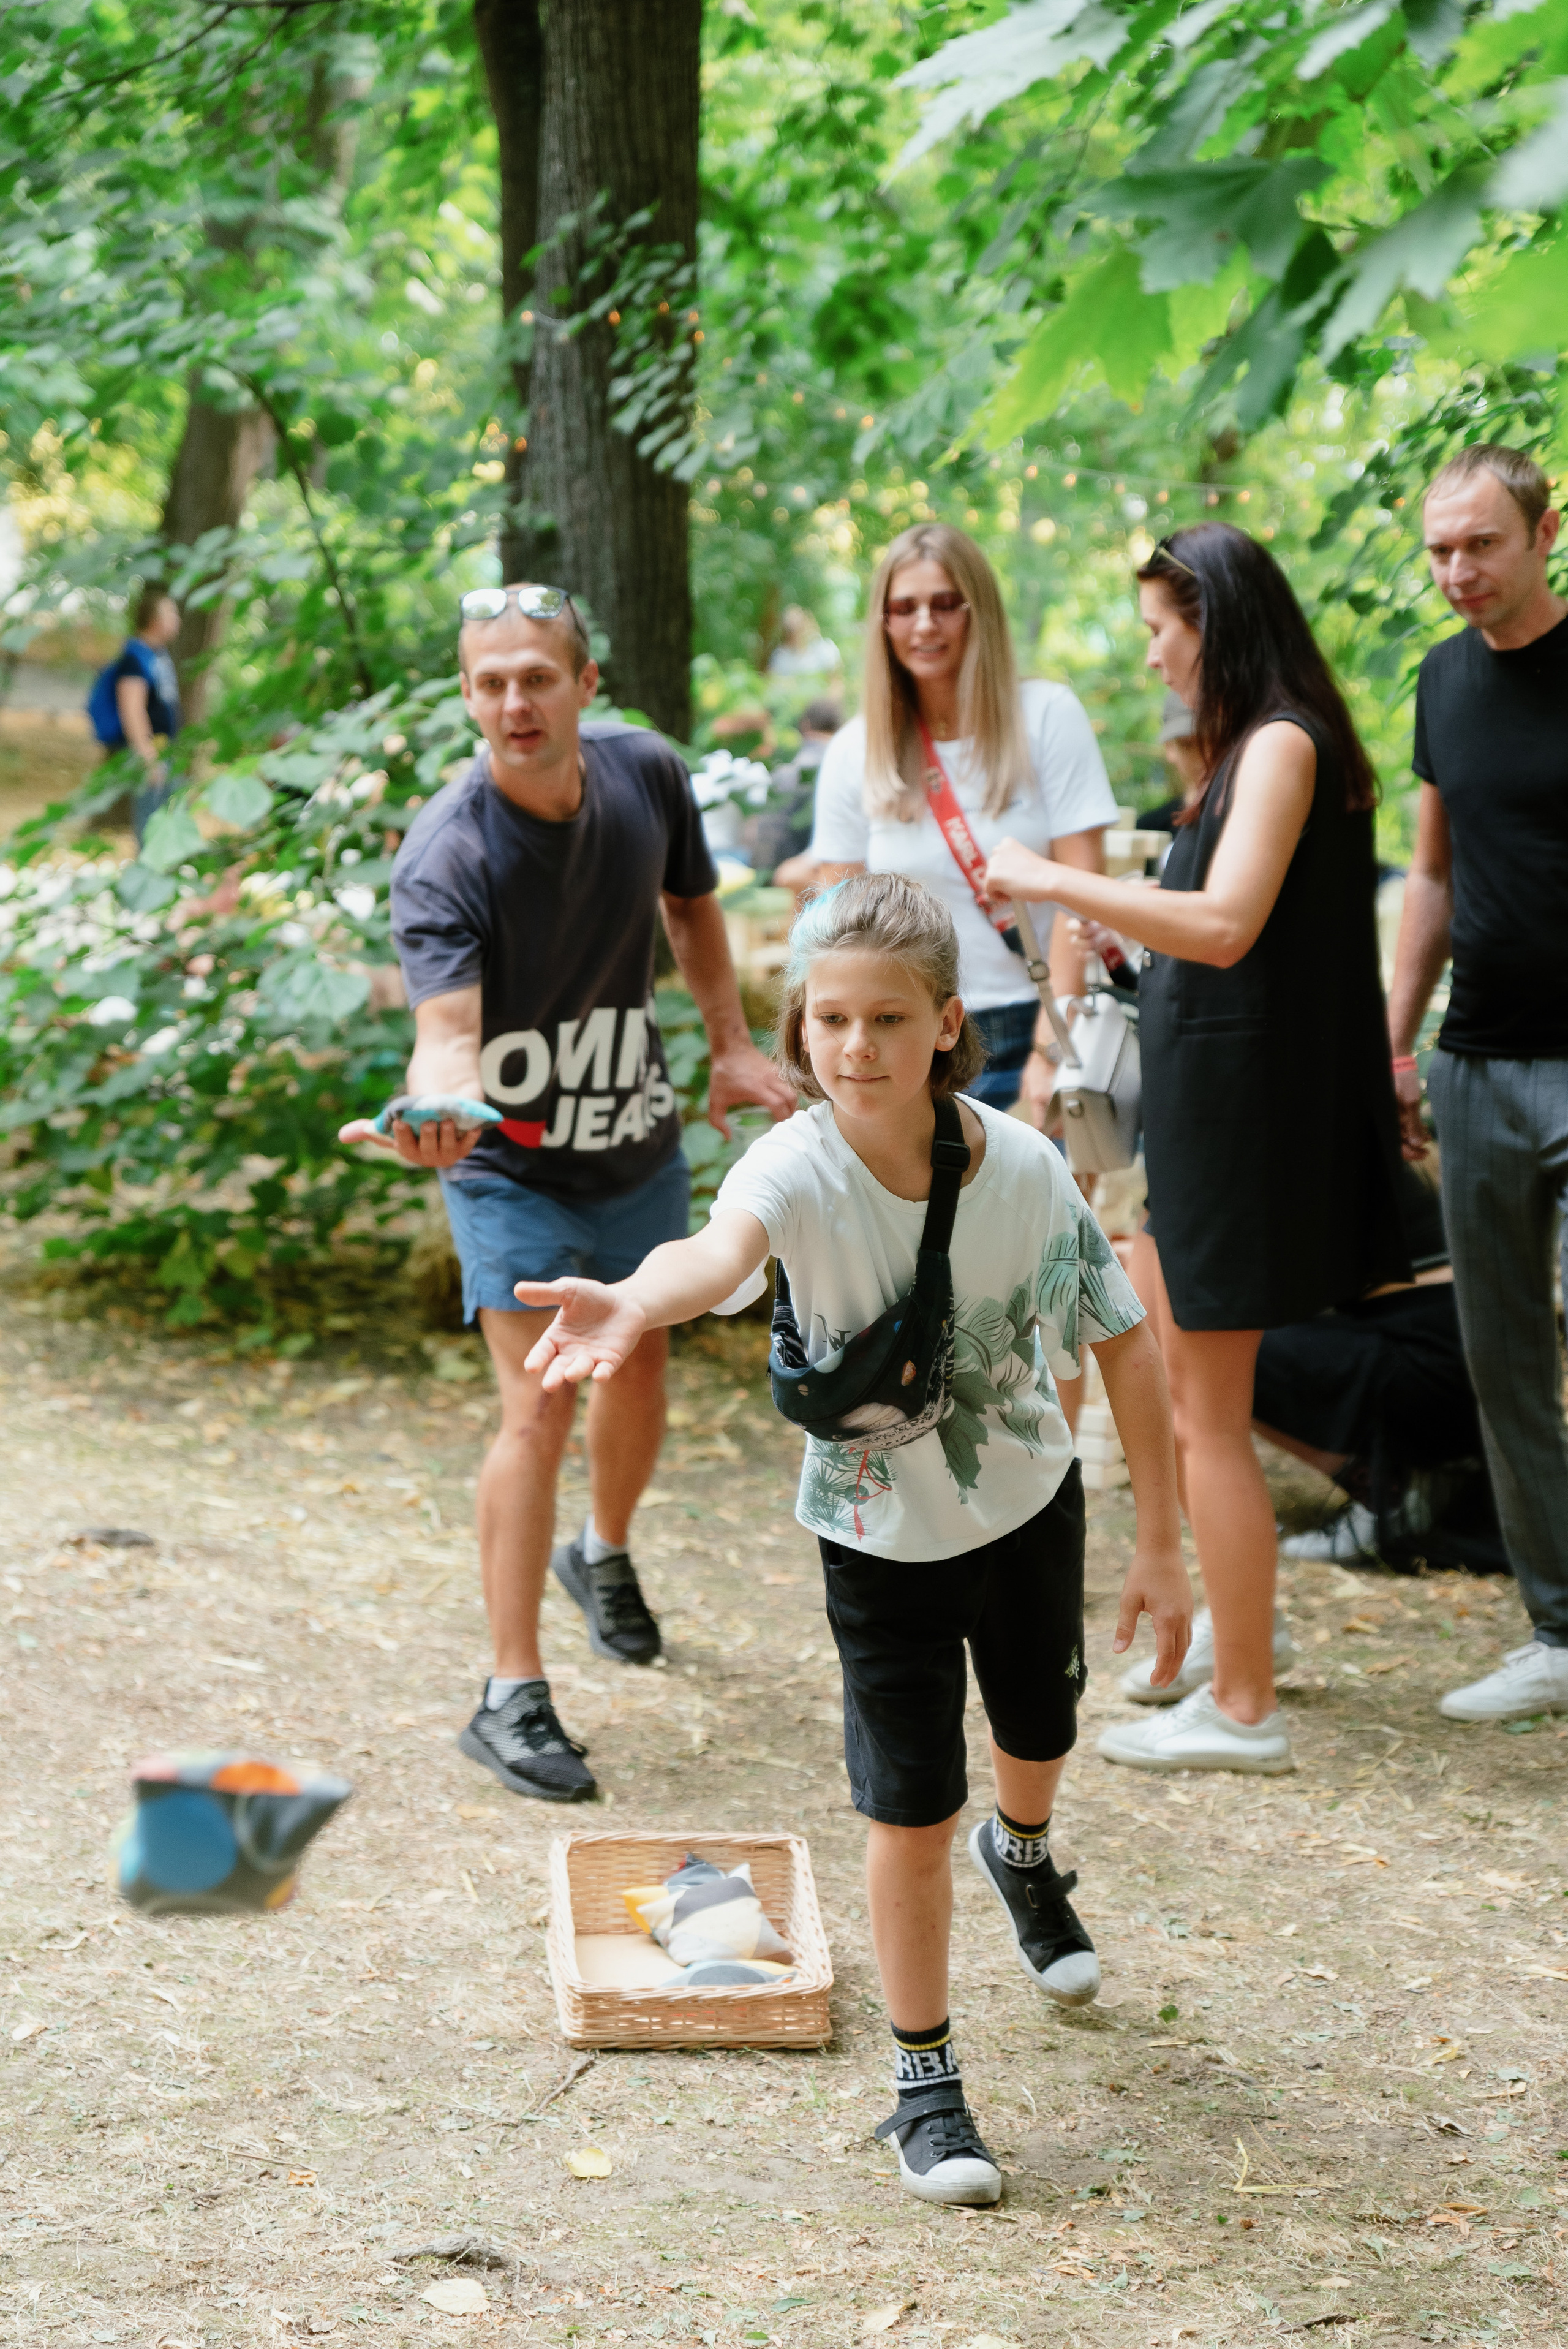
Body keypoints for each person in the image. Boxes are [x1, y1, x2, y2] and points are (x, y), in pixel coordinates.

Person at [516, 873, 1189, 2207]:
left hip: (1023, 1508)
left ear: (946, 1022)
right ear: (801, 1024)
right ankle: (925, 2082)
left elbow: (1123, 1341)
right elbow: (709, 1257)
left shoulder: (1025, 1169)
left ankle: (1029, 1851)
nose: (852, 1048)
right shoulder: (793, 1165)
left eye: (886, 1019)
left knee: (1037, 1738)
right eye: (826, 1019)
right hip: (874, 1541)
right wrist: (632, 1306)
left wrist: (1158, 1543)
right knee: (908, 1807)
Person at [340, 581, 794, 1804]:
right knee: (537, 1405)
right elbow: (445, 1032)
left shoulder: (644, 774)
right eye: (488, 681)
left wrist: (731, 1043)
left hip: (634, 1142)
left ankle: (603, 1554)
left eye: (536, 675)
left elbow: (692, 904)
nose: (512, 702)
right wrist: (435, 1112)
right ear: (467, 697)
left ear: (586, 685)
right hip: (510, 1167)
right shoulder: (449, 851)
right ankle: (509, 1695)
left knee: (638, 1369)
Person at [986, 523, 1408, 1776]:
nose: (1156, 654)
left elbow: (1223, 925)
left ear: (1213, 619)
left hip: (1245, 1127)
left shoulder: (1279, 744)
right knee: (1186, 1397)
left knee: (1208, 1419)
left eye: (1163, 629)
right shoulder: (1249, 754)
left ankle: (1241, 1707)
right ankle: (1222, 1661)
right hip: (1214, 1116)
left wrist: (1058, 883)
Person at [1385, 441, 1568, 1723]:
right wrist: (1393, 1044)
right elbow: (1432, 878)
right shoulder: (1439, 681)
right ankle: (1555, 1628)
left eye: (1480, 545)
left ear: (1541, 533)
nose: (1457, 571)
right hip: (1475, 1064)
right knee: (1500, 1358)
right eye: (1440, 549)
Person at [804, 524, 1116, 1123]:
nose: (925, 624)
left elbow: (1084, 895)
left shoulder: (1047, 716)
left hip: (1033, 1022)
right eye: (905, 607)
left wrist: (1054, 1046)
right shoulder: (855, 749)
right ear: (884, 622)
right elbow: (834, 927)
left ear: (979, 612)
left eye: (945, 604)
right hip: (905, 1040)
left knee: (1036, 1217)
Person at [86, 583, 182, 838]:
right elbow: (132, 710)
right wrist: (148, 757)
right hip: (151, 753)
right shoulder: (135, 659)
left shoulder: (157, 654)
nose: (177, 620)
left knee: (165, 821)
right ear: (154, 619)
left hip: (164, 751)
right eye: (170, 614)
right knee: (151, 824)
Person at [752, 698, 842, 883]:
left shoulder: (784, 771)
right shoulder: (838, 768)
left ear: (805, 725)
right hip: (802, 869)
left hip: (764, 867)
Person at [766, 602, 842, 683]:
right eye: (790, 630)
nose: (795, 633)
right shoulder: (780, 657)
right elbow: (768, 682)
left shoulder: (824, 650)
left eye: (799, 625)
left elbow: (836, 685)